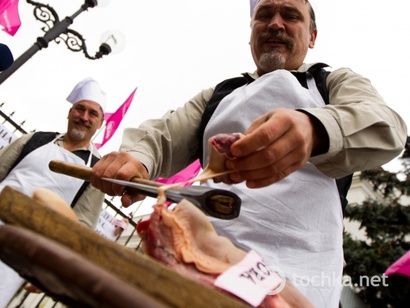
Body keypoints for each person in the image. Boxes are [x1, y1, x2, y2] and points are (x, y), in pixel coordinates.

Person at [90, 1, 407, 307]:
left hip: (303, 274)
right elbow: (162, 136)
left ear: (312, 36)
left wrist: (316, 128)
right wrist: (136, 157)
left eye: (291, 16)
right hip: (200, 259)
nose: (275, 23)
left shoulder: (331, 82)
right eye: (264, 15)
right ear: (251, 32)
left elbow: (387, 127)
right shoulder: (218, 96)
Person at [0, 77, 106, 306]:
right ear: (70, 113)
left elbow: (80, 226)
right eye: (80, 109)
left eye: (92, 114)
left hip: (19, 249)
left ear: (100, 124)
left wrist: (51, 265)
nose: (84, 117)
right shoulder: (34, 140)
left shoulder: (96, 172)